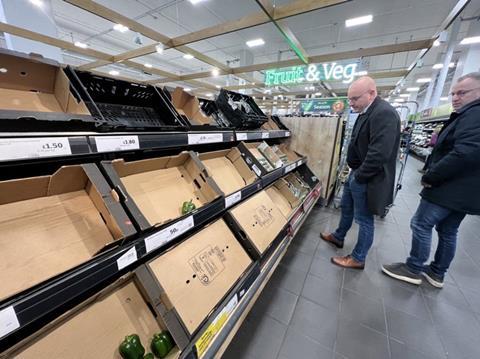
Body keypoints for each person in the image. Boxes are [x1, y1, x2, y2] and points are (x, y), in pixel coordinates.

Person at [382, 72, 480, 288]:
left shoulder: (474, 115)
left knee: (421, 224)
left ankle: (413, 268)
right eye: (453, 93)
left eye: (462, 93)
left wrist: (432, 175)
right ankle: (436, 272)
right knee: (448, 230)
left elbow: (464, 153)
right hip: (464, 192)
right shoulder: (468, 115)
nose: (455, 97)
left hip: (448, 188)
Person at [320, 76, 401, 269]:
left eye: (355, 98)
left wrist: (360, 177)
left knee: (364, 219)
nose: (351, 103)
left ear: (372, 93)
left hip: (367, 177)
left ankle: (358, 257)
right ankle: (339, 237)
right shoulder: (367, 111)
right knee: (346, 207)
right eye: (350, 99)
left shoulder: (384, 113)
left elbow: (379, 153)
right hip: (356, 173)